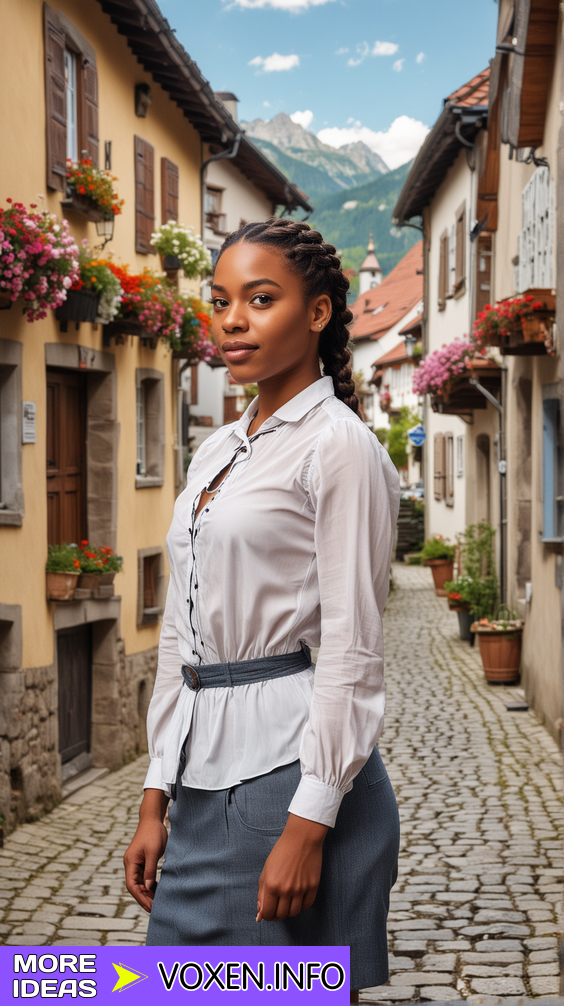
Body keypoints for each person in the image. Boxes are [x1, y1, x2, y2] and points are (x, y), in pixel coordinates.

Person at [124, 218, 400, 1001]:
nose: (233, 320)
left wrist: (311, 825)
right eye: (220, 302)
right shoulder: (218, 450)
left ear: (317, 313)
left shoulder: (337, 446)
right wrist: (155, 795)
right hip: (201, 787)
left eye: (261, 298)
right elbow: (183, 632)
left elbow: (353, 647)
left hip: (288, 784)